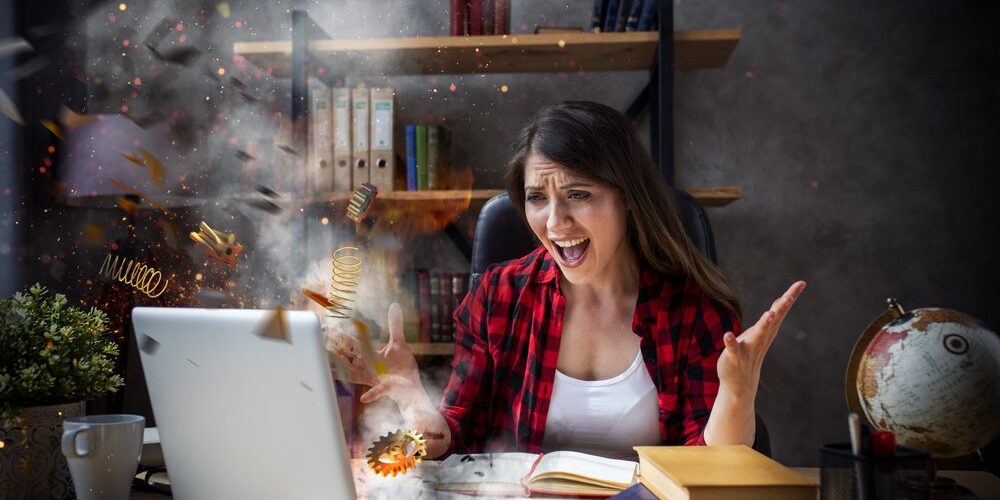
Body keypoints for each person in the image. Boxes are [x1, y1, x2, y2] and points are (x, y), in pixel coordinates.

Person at [333, 101, 805, 460]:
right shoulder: (498, 296)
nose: (555, 222)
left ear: (628, 198)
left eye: (578, 194)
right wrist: (416, 403)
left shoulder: (693, 309)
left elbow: (714, 467)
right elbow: (455, 437)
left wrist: (738, 392)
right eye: (537, 197)